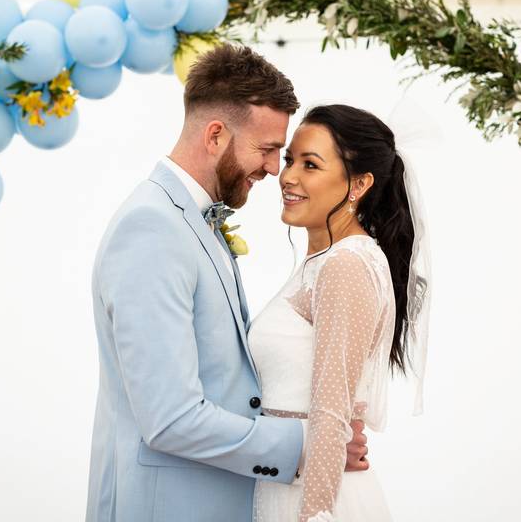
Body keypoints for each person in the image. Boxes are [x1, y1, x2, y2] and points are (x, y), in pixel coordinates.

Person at [85, 46, 369, 522]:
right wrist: (310, 444)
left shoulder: (192, 219)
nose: (276, 168)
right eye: (266, 148)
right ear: (215, 135)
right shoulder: (152, 229)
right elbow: (171, 418)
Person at [250, 104, 426, 521]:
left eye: (311, 165)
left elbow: (331, 412)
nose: (288, 176)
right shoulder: (324, 262)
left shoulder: (346, 265)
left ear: (359, 183)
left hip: (317, 498)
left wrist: (315, 516)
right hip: (284, 485)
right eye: (290, 159)